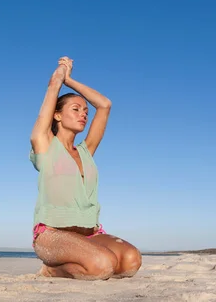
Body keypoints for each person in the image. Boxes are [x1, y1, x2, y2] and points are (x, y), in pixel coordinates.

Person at [29, 56, 142, 281]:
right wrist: (61, 73)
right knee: (102, 266)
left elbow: (104, 104)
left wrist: (71, 81)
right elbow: (53, 87)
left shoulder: (86, 151)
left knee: (131, 261)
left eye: (85, 112)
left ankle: (87, 259)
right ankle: (51, 269)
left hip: (89, 234)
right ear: (57, 115)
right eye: (76, 109)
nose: (83, 114)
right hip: (52, 235)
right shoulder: (45, 145)